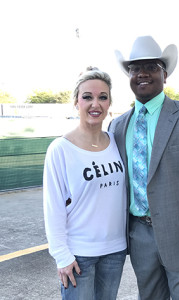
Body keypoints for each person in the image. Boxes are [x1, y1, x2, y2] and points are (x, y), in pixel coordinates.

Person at [109, 36, 179, 300]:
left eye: (151, 67)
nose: (142, 74)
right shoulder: (117, 127)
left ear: (165, 74)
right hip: (139, 236)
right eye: (135, 68)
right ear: (129, 75)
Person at [43, 67, 127, 300]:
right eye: (87, 97)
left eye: (103, 97)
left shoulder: (115, 141)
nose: (95, 104)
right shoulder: (60, 149)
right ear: (76, 102)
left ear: (110, 103)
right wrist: (62, 255)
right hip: (78, 256)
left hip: (115, 252)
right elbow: (53, 207)